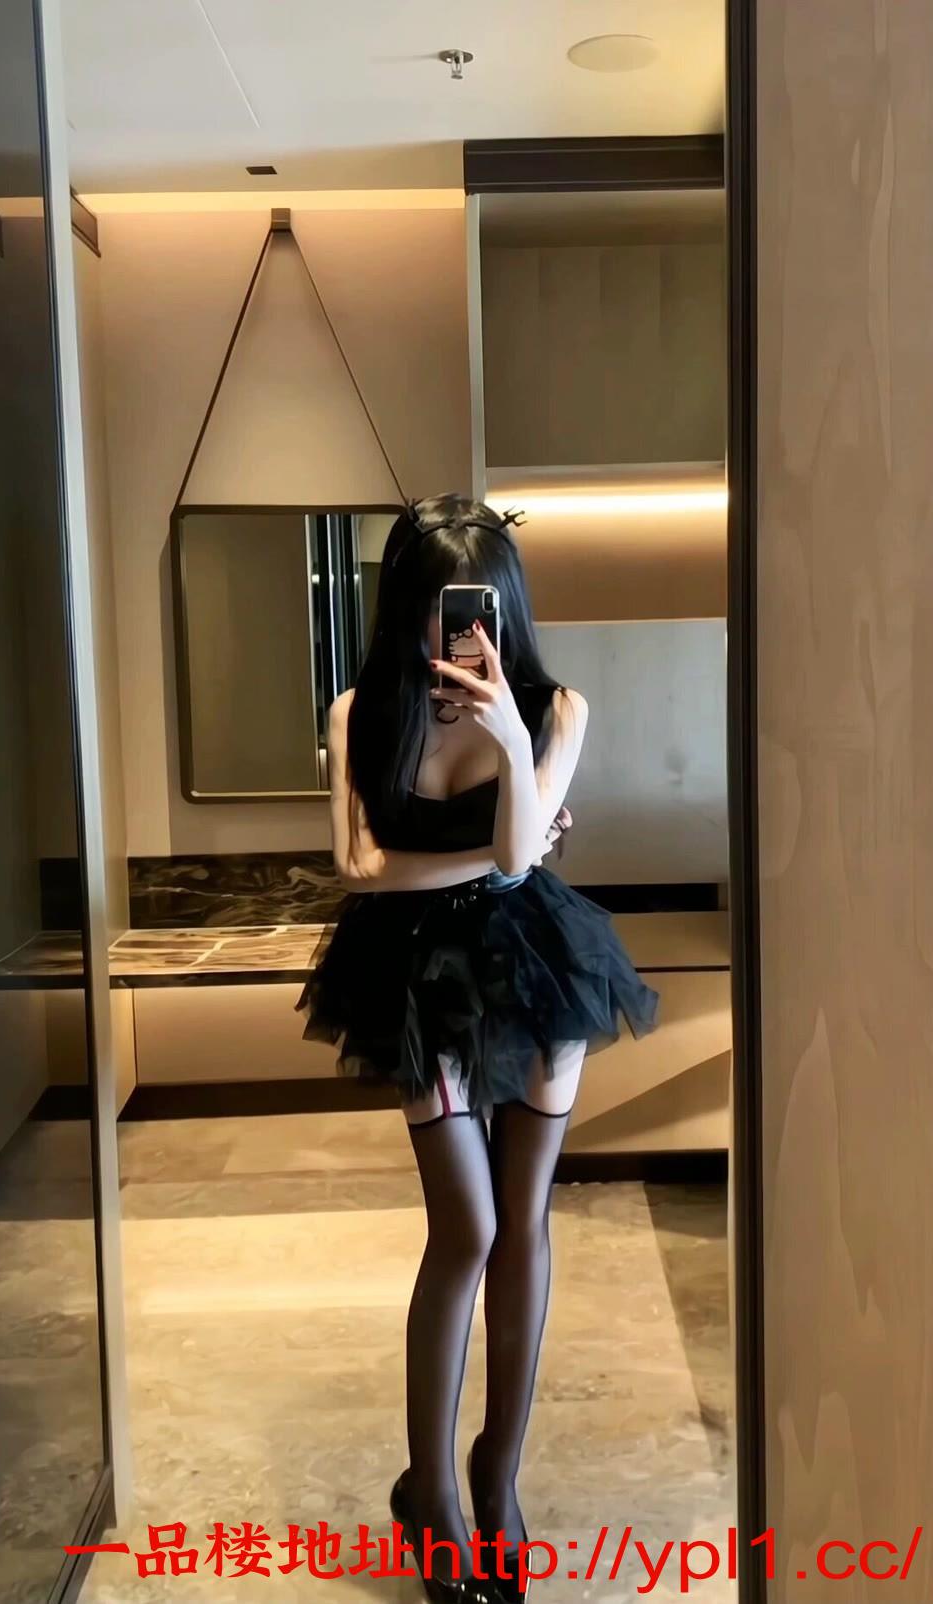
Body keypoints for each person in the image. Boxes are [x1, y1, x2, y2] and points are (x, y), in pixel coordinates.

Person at [296, 494, 660, 1604]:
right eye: (443, 611)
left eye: (481, 611)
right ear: (406, 608)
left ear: (506, 609)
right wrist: (517, 841)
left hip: (537, 962)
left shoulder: (557, 709)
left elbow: (510, 864)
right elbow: (360, 868)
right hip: (412, 977)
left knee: (524, 1218)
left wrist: (508, 743)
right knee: (468, 1225)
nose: (461, 634)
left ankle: (494, 1475)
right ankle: (432, 1496)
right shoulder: (361, 710)